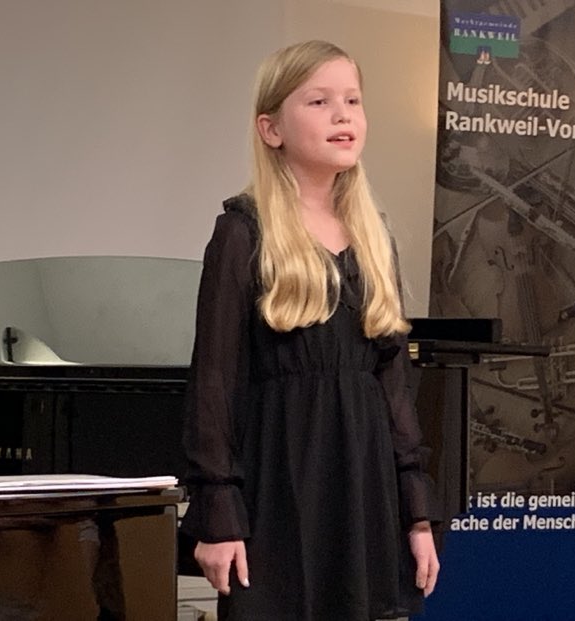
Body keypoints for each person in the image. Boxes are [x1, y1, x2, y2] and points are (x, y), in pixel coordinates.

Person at [181, 40, 441, 621]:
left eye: (353, 100)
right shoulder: (241, 233)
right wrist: (218, 512)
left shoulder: (374, 237)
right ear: (271, 129)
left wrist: (417, 513)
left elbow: (394, 388)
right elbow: (214, 383)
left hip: (365, 486)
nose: (342, 114)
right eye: (319, 101)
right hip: (279, 486)